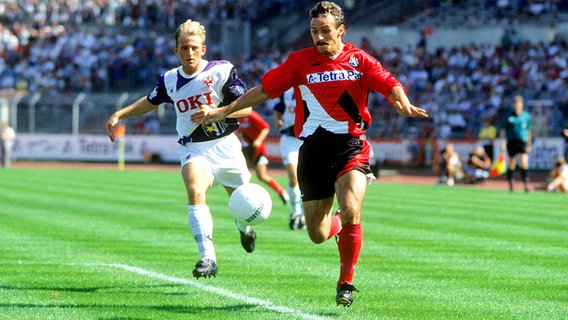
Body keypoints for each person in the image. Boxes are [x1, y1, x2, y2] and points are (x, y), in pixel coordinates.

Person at [190, 1, 428, 307]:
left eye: (325, 30)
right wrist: (224, 110)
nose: (319, 37)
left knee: (352, 207)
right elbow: (263, 90)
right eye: (314, 31)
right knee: (317, 233)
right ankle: (339, 226)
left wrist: (403, 102)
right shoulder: (300, 62)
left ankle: (345, 283)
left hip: (350, 146)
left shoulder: (359, 60)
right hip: (313, 152)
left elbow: (389, 83)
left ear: (341, 30)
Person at [104, 19, 257, 280]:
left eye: (194, 47)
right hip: (194, 149)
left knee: (241, 203)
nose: (189, 53)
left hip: (227, 147)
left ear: (203, 49)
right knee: (195, 189)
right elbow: (151, 102)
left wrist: (218, 112)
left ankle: (244, 228)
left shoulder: (221, 72)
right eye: (184, 48)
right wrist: (120, 113)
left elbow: (247, 108)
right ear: (176, 50)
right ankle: (207, 257)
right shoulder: (170, 80)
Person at [236, 108, 290, 205]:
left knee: (262, 176)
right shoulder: (236, 116)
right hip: (245, 150)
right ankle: (244, 198)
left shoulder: (250, 114)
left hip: (257, 150)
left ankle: (281, 191)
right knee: (241, 173)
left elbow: (265, 127)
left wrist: (259, 140)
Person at [273, 87, 305, 230]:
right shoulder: (287, 92)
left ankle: (305, 215)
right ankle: (295, 210)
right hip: (289, 139)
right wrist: (278, 120)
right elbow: (278, 109)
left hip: (307, 139)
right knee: (294, 178)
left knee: (307, 179)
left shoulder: (310, 87)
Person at [499, 95, 532, 192]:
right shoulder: (508, 116)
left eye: (518, 104)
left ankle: (525, 183)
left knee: (524, 160)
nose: (516, 106)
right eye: (515, 104)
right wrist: (502, 142)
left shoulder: (526, 116)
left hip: (522, 141)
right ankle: (511, 182)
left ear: (521, 105)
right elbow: (502, 130)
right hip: (511, 141)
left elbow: (529, 131)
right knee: (511, 163)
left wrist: (529, 143)